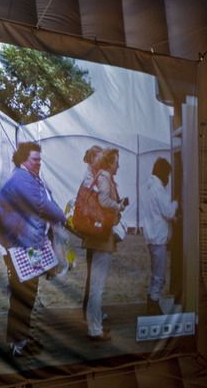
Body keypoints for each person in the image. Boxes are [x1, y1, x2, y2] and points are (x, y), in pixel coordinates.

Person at [0, 142, 66, 357]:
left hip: (26, 244)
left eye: (40, 159)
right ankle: (18, 343)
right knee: (24, 295)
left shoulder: (28, 177)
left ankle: (21, 338)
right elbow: (42, 205)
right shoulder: (22, 179)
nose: (39, 163)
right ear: (23, 159)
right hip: (19, 245)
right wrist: (64, 218)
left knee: (26, 294)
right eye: (35, 159)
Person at [82, 147, 127, 341]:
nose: (119, 165)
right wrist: (118, 206)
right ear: (110, 162)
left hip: (98, 237)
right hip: (101, 238)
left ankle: (95, 323)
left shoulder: (101, 176)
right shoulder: (104, 177)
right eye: (117, 161)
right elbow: (104, 200)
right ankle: (95, 329)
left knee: (95, 286)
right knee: (97, 287)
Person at [139, 157, 178, 315]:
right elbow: (168, 212)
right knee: (160, 274)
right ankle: (154, 303)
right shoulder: (158, 189)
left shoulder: (148, 187)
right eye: (168, 174)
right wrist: (176, 202)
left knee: (155, 271)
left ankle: (151, 299)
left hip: (151, 235)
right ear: (164, 173)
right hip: (158, 237)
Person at [80, 145, 104, 321]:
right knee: (94, 274)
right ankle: (90, 312)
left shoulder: (94, 176)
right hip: (92, 230)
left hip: (94, 229)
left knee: (94, 274)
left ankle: (91, 310)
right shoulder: (89, 179)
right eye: (100, 157)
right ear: (93, 159)